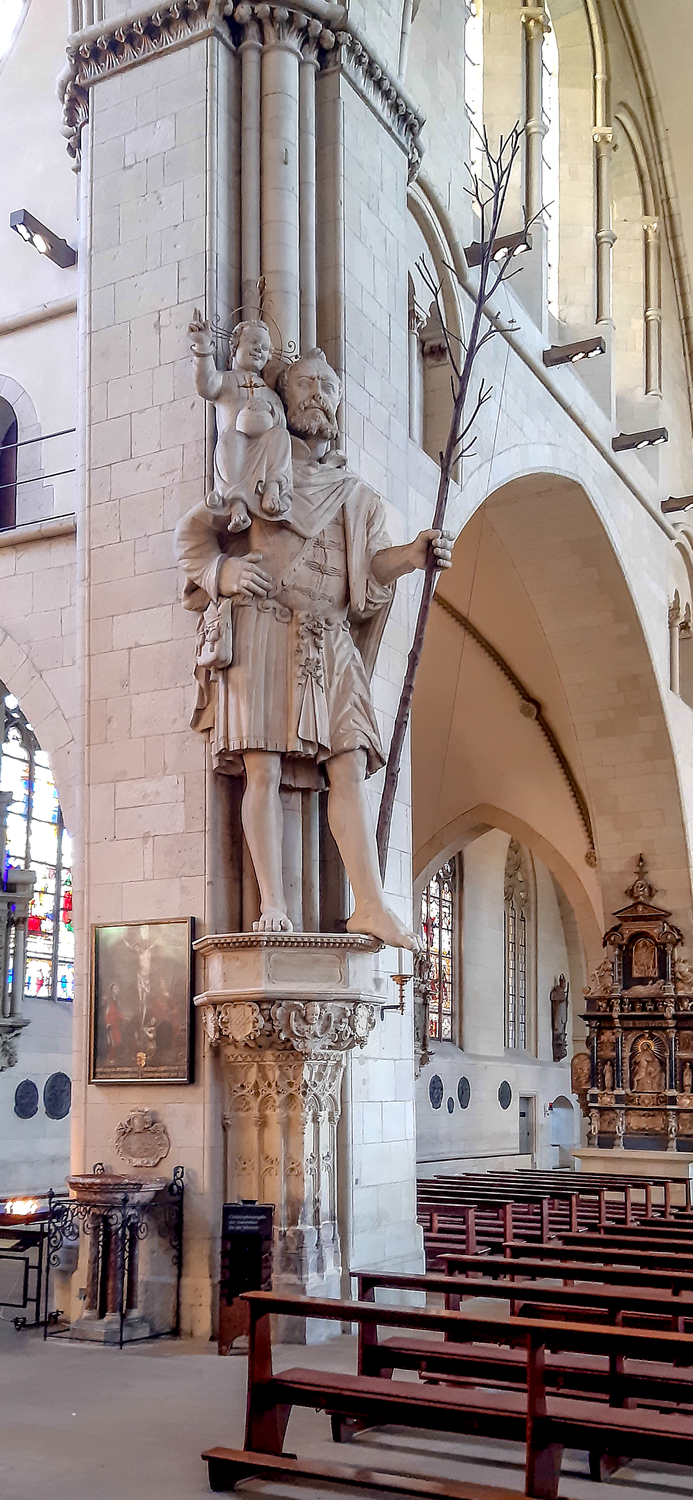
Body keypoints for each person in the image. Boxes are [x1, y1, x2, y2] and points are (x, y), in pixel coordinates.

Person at [175, 346, 452, 949]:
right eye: (306, 382)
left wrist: (413, 554)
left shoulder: (356, 495)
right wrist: (222, 572)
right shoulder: (256, 470)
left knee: (350, 762)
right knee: (262, 767)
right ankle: (273, 904)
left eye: (328, 384)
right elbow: (195, 533)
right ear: (282, 392)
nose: (319, 393)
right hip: (263, 627)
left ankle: (370, 905)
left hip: (329, 640)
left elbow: (370, 572)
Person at [189, 312, 292, 533]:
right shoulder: (225, 380)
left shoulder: (270, 394)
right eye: (253, 342)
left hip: (263, 449)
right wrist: (203, 348)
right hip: (236, 446)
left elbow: (280, 424)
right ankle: (237, 506)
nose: (259, 349)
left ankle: (272, 489)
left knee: (281, 436)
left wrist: (268, 412)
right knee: (230, 439)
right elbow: (205, 384)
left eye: (265, 348)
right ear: (235, 346)